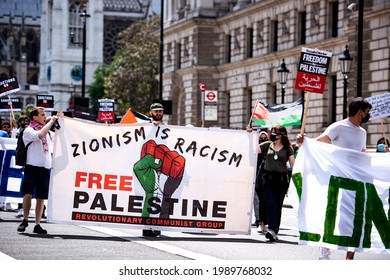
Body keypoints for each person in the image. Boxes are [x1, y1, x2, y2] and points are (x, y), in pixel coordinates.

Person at [296, 97, 372, 260]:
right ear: (360, 111)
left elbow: (361, 154)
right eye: (367, 112)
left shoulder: (363, 132)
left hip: (354, 181)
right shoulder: (338, 127)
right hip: (336, 179)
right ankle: (325, 249)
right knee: (331, 213)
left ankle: (349, 256)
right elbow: (318, 143)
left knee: (355, 216)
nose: (368, 115)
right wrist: (304, 142)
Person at [17, 107, 63, 234]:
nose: (44, 116)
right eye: (42, 115)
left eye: (45, 115)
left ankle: (37, 224)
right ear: (35, 117)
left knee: (41, 198)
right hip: (32, 167)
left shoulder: (49, 133)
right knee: (28, 194)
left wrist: (62, 120)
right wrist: (51, 121)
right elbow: (40, 134)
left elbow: (61, 136)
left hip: (45, 168)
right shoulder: (28, 130)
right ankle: (25, 220)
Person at [258, 125, 295, 242]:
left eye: (275, 133)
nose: (272, 134)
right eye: (272, 132)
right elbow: (252, 148)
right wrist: (250, 134)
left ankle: (274, 231)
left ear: (281, 135)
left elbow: (293, 165)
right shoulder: (266, 145)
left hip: (281, 180)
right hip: (267, 179)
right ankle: (272, 230)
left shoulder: (288, 148)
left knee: (278, 206)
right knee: (271, 203)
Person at [141, 102, 165, 238]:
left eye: (160, 111)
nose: (158, 113)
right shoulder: (144, 127)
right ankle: (146, 226)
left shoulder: (167, 129)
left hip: (160, 166)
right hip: (147, 166)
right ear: (150, 113)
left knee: (159, 197)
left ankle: (155, 226)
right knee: (149, 194)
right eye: (155, 111)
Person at [252, 131, 269, 231]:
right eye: (261, 138)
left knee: (264, 199)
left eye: (264, 138)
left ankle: (264, 219)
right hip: (256, 175)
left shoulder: (269, 148)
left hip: (266, 175)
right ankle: (258, 219)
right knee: (256, 199)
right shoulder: (257, 148)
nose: (263, 139)